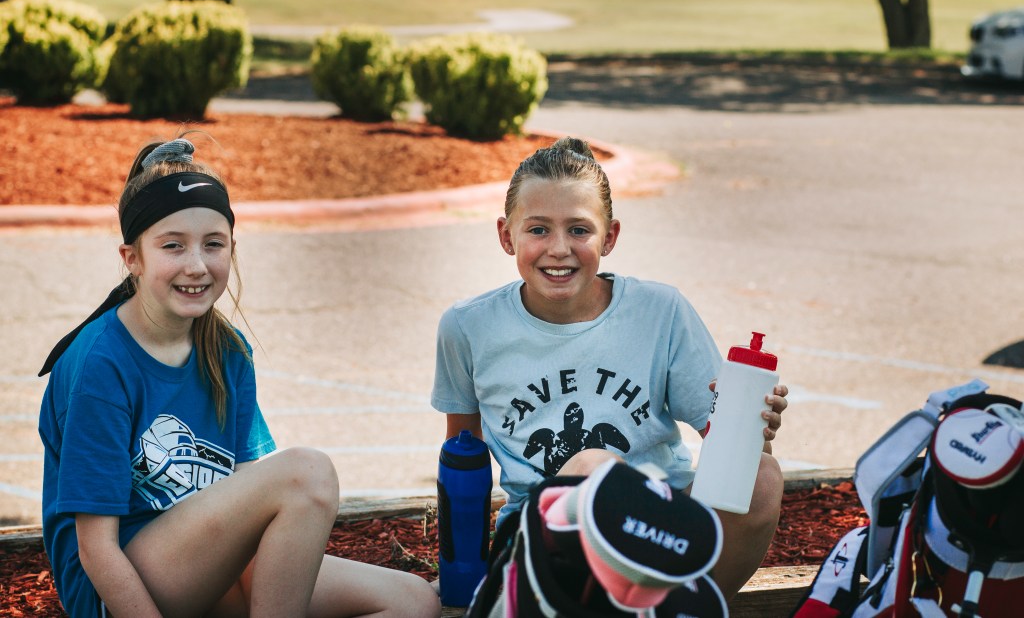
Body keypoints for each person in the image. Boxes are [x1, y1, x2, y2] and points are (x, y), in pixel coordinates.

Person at [37, 137, 440, 618]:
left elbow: (250, 497)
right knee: (307, 473)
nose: (196, 265)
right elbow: (97, 550)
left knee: (413, 603)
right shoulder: (99, 365)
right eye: (173, 246)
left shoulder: (226, 351)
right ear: (132, 258)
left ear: (232, 247)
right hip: (118, 590)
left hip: (207, 566)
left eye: (213, 244)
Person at [430, 137, 789, 601]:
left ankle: (689, 608)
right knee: (597, 467)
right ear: (506, 235)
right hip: (542, 536)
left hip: (663, 527)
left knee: (760, 476)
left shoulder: (660, 311)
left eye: (579, 230)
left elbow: (728, 447)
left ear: (610, 236)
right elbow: (463, 458)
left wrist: (753, 423)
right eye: (538, 229)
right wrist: (465, 574)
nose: (558, 248)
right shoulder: (469, 326)